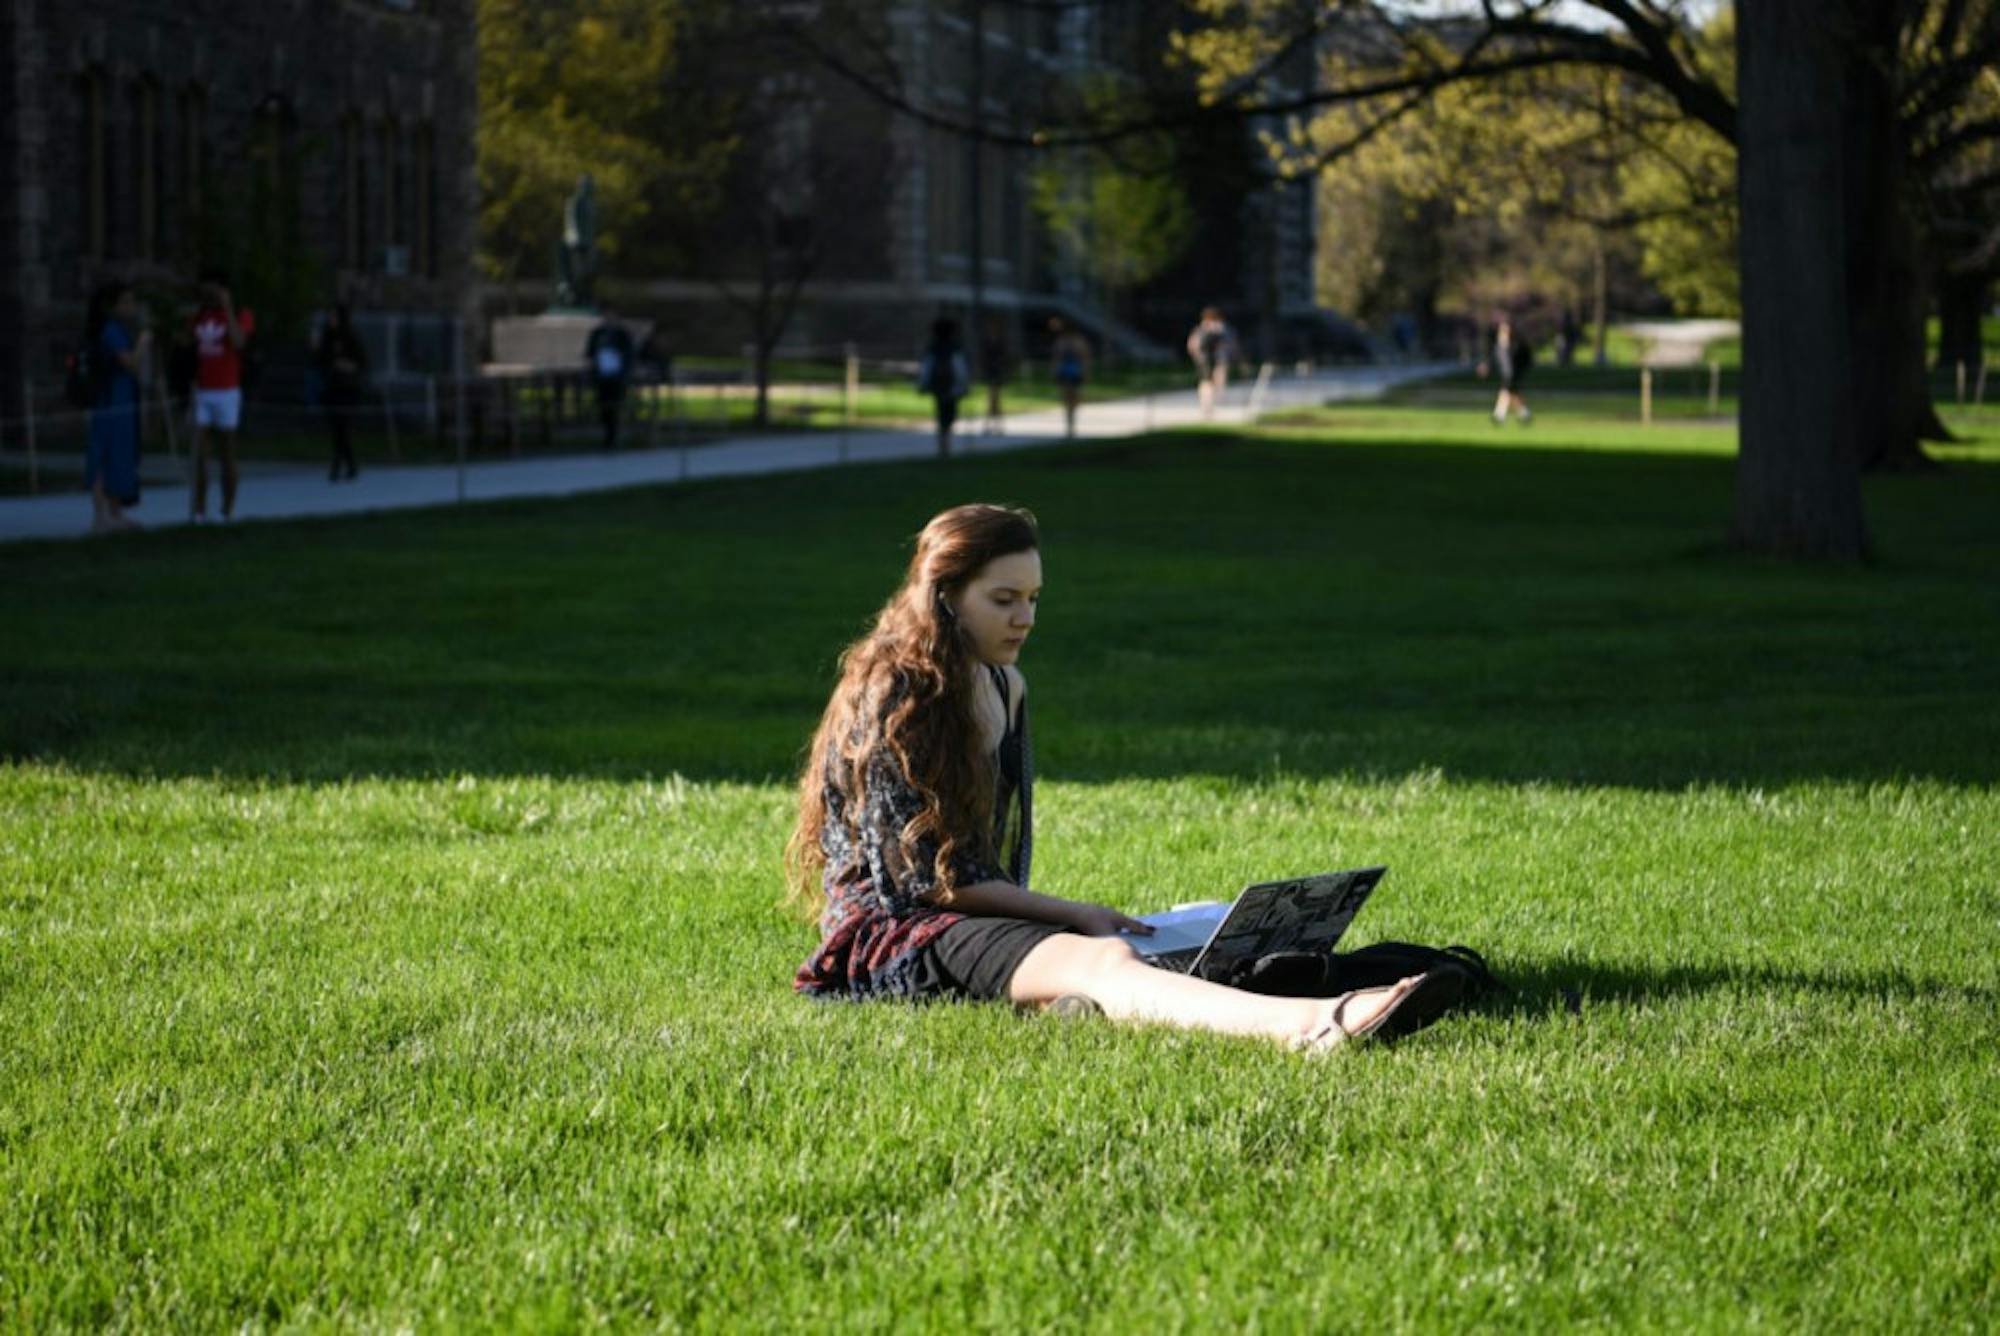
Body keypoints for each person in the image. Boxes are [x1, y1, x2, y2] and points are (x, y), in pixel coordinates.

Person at [787, 503, 1465, 1051]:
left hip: (966, 920)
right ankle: (1321, 1025)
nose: (1025, 618)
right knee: (1107, 958)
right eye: (1003, 599)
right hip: (893, 937)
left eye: (1033, 598)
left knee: (1187, 939)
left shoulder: (1005, 684)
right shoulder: (896, 695)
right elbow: (928, 885)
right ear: (945, 598)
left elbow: (991, 862)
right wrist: (1076, 917)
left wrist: (1068, 923)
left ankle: (1071, 1004)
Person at [188, 267, 254, 523]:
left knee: (227, 452)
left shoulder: (240, 314)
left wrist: (227, 308)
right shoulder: (199, 316)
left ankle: (227, 508)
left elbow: (239, 343)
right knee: (200, 454)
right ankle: (199, 509)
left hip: (227, 390)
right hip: (203, 390)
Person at [83, 283, 150, 534]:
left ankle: (115, 511)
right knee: (104, 456)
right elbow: (129, 363)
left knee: (119, 456)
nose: (132, 308)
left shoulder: (117, 330)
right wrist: (143, 343)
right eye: (127, 302)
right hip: (111, 402)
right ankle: (101, 516)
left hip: (120, 401)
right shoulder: (110, 331)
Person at [315, 305, 368, 481]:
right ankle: (349, 465)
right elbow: (321, 360)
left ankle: (337, 466)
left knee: (344, 429)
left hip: (349, 388)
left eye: (334, 316)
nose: (331, 320)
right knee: (336, 429)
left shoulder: (351, 338)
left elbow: (362, 363)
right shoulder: (328, 338)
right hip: (333, 387)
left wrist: (347, 365)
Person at [917, 318, 969, 455]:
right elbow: (960, 369)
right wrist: (963, 385)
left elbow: (926, 369)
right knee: (949, 415)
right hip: (951, 386)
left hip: (938, 387)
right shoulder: (954, 348)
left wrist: (923, 385)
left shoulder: (934, 348)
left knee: (942, 414)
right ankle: (946, 446)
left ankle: (943, 445)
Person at [585, 313, 635, 450]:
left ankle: (613, 436)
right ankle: (608, 435)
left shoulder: (622, 334)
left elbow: (629, 354)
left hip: (617, 376)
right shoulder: (597, 334)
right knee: (603, 405)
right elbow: (589, 353)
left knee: (615, 405)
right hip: (601, 376)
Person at [1186, 306, 1236, 420]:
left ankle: (1206, 404)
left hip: (1204, 359)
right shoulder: (1221, 328)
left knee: (1206, 383)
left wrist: (1196, 355)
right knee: (1215, 381)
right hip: (1217, 359)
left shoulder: (1200, 329)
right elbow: (1230, 343)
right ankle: (1211, 402)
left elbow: (1191, 344)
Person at [1048, 318, 1091, 439]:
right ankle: (1069, 424)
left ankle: (1071, 419)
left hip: (1076, 372)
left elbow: (1085, 358)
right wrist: (1054, 371)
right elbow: (1056, 358)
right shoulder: (1061, 342)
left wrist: (1086, 372)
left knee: (1074, 398)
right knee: (1067, 398)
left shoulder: (1079, 342)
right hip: (1065, 372)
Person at [1488, 316, 1534, 424]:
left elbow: (1526, 359)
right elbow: (1494, 358)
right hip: (1506, 373)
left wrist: (1522, 369)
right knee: (1512, 394)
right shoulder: (1499, 345)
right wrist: (1487, 366)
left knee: (1505, 393)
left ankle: (1499, 416)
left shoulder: (1517, 344)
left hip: (1514, 373)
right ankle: (1525, 414)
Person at [978, 315, 1010, 436]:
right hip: (990, 371)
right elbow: (983, 356)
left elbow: (1005, 356)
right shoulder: (986, 340)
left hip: (998, 371)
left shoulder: (1001, 340)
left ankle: (993, 425)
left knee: (995, 399)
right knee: (992, 399)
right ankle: (995, 425)